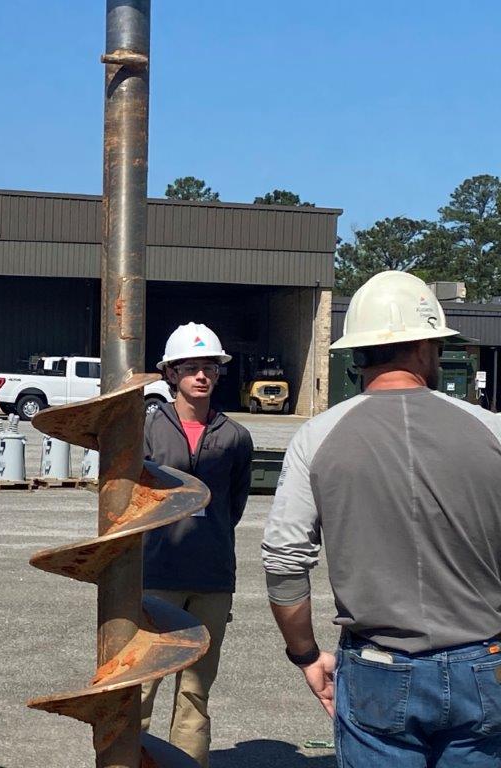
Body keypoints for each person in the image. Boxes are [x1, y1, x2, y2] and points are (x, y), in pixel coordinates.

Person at [263, 270, 501, 767]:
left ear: (358, 352)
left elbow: (285, 564)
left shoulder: (317, 437)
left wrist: (305, 655)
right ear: (422, 348)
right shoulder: (491, 431)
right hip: (485, 663)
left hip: (378, 667)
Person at [139, 322, 253, 768]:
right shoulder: (147, 428)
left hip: (211, 576)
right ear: (171, 375)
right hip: (155, 574)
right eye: (190, 368)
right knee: (142, 686)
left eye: (210, 368)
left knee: (195, 691)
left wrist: (210, 536)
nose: (201, 376)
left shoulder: (235, 436)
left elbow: (234, 503)